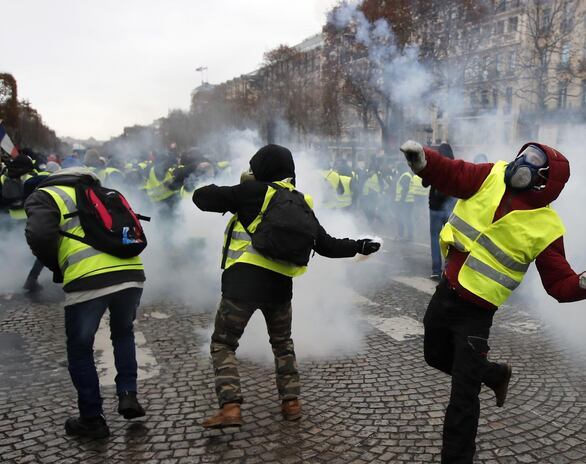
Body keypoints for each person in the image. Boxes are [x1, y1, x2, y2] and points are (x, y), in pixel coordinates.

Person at [399, 140, 586, 464]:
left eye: (534, 162)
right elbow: (455, 173)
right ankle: (495, 374)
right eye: (525, 155)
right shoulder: (492, 174)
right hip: (446, 290)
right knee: (434, 354)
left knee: (462, 399)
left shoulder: (546, 226)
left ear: (545, 181)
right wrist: (425, 164)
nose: (522, 163)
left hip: (475, 314)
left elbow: (558, 283)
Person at [192, 144, 381, 428]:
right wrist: (359, 245)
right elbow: (326, 244)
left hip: (242, 284)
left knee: (223, 343)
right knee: (282, 345)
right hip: (280, 287)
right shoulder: (300, 201)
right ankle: (291, 403)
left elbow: (201, 198)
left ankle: (231, 407)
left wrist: (242, 185)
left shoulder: (253, 191)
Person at [24, 168, 147, 439]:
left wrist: (58, 266)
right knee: (124, 334)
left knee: (80, 349)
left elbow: (39, 236)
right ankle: (128, 394)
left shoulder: (45, 195)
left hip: (86, 277)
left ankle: (92, 418)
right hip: (131, 273)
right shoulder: (104, 192)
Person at [428, 143, 457, 280]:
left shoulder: (437, 165)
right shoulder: (455, 165)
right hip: (449, 208)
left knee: (435, 238)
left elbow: (425, 182)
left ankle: (435, 270)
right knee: (449, 239)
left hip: (434, 207)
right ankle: (449, 270)